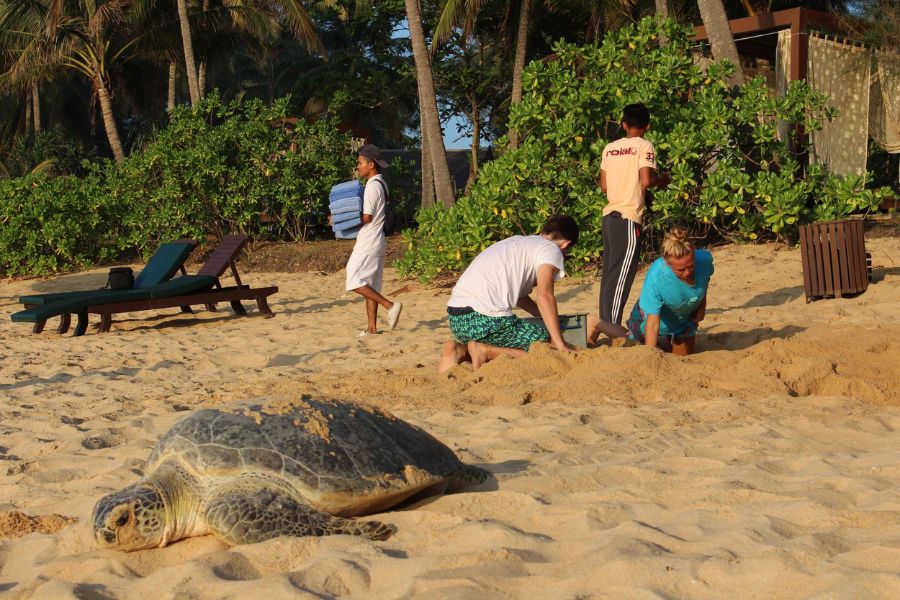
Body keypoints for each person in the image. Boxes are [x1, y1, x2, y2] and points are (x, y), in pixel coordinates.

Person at [437, 215, 579, 373]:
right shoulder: (551, 249)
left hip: (457, 320)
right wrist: (561, 345)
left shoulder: (517, 242)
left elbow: (520, 297)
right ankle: (484, 350)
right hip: (486, 321)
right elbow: (544, 297)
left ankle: (458, 349)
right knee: (546, 348)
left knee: (506, 341)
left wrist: (545, 317)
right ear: (566, 244)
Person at [598, 102, 669, 332]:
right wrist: (661, 181)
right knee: (622, 277)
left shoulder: (609, 148)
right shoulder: (644, 145)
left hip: (609, 216)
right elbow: (646, 180)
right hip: (628, 217)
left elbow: (604, 186)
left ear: (624, 124)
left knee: (610, 275)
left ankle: (606, 323)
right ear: (647, 126)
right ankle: (612, 328)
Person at [589, 227, 713, 356]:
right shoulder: (656, 278)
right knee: (635, 345)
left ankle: (667, 340)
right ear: (667, 263)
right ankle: (597, 324)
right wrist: (650, 357)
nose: (687, 272)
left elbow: (704, 281)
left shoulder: (705, 260)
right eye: (680, 270)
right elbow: (652, 324)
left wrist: (701, 308)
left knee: (681, 358)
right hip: (649, 318)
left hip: (683, 318)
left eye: (691, 266)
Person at [345, 144, 401, 336]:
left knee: (353, 279)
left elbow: (367, 217)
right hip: (379, 240)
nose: (358, 166)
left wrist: (342, 221)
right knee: (371, 284)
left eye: (360, 163)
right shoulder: (382, 183)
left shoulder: (371, 187)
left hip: (368, 240)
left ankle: (390, 305)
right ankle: (372, 328)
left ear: (371, 165)